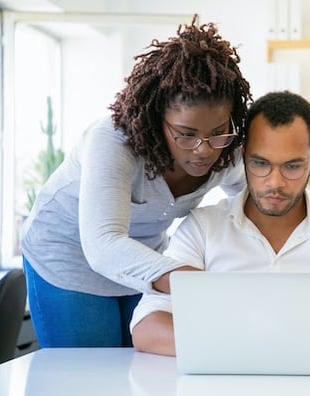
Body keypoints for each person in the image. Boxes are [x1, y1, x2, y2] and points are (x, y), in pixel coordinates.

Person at [130, 91, 310, 360]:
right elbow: (146, 326)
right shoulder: (203, 228)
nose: (275, 183)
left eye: (292, 166)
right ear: (242, 155)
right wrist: (240, 348)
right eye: (260, 164)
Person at [20, 15, 252, 348]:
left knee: (146, 368)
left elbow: (249, 205)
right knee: (91, 374)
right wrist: (195, 282)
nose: (203, 151)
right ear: (159, 119)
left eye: (217, 133)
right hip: (69, 256)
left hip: (142, 260)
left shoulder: (224, 150)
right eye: (186, 135)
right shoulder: (112, 142)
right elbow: (103, 244)